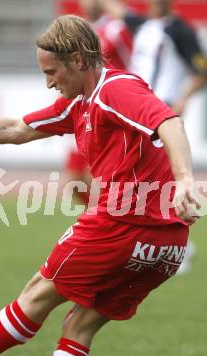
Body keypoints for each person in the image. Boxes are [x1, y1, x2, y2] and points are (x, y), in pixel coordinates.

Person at [0, 15, 200, 356]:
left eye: (52, 71)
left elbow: (169, 122)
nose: (49, 82)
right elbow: (15, 130)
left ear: (77, 59)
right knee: (79, 326)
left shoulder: (115, 89)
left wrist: (186, 179)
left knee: (35, 295)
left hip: (121, 225)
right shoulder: (80, 104)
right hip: (167, 244)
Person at [103, 0, 207, 273]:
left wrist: (183, 99)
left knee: (167, 181)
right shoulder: (144, 25)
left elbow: (202, 72)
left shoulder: (180, 30)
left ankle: (181, 245)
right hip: (136, 111)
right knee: (137, 181)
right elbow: (116, 11)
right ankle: (140, 244)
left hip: (161, 111)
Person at [65, 0, 133, 204]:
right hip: (82, 109)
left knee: (96, 178)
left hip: (107, 111)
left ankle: (105, 224)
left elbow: (133, 64)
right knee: (74, 180)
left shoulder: (116, 29)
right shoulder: (76, 34)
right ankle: (100, 221)